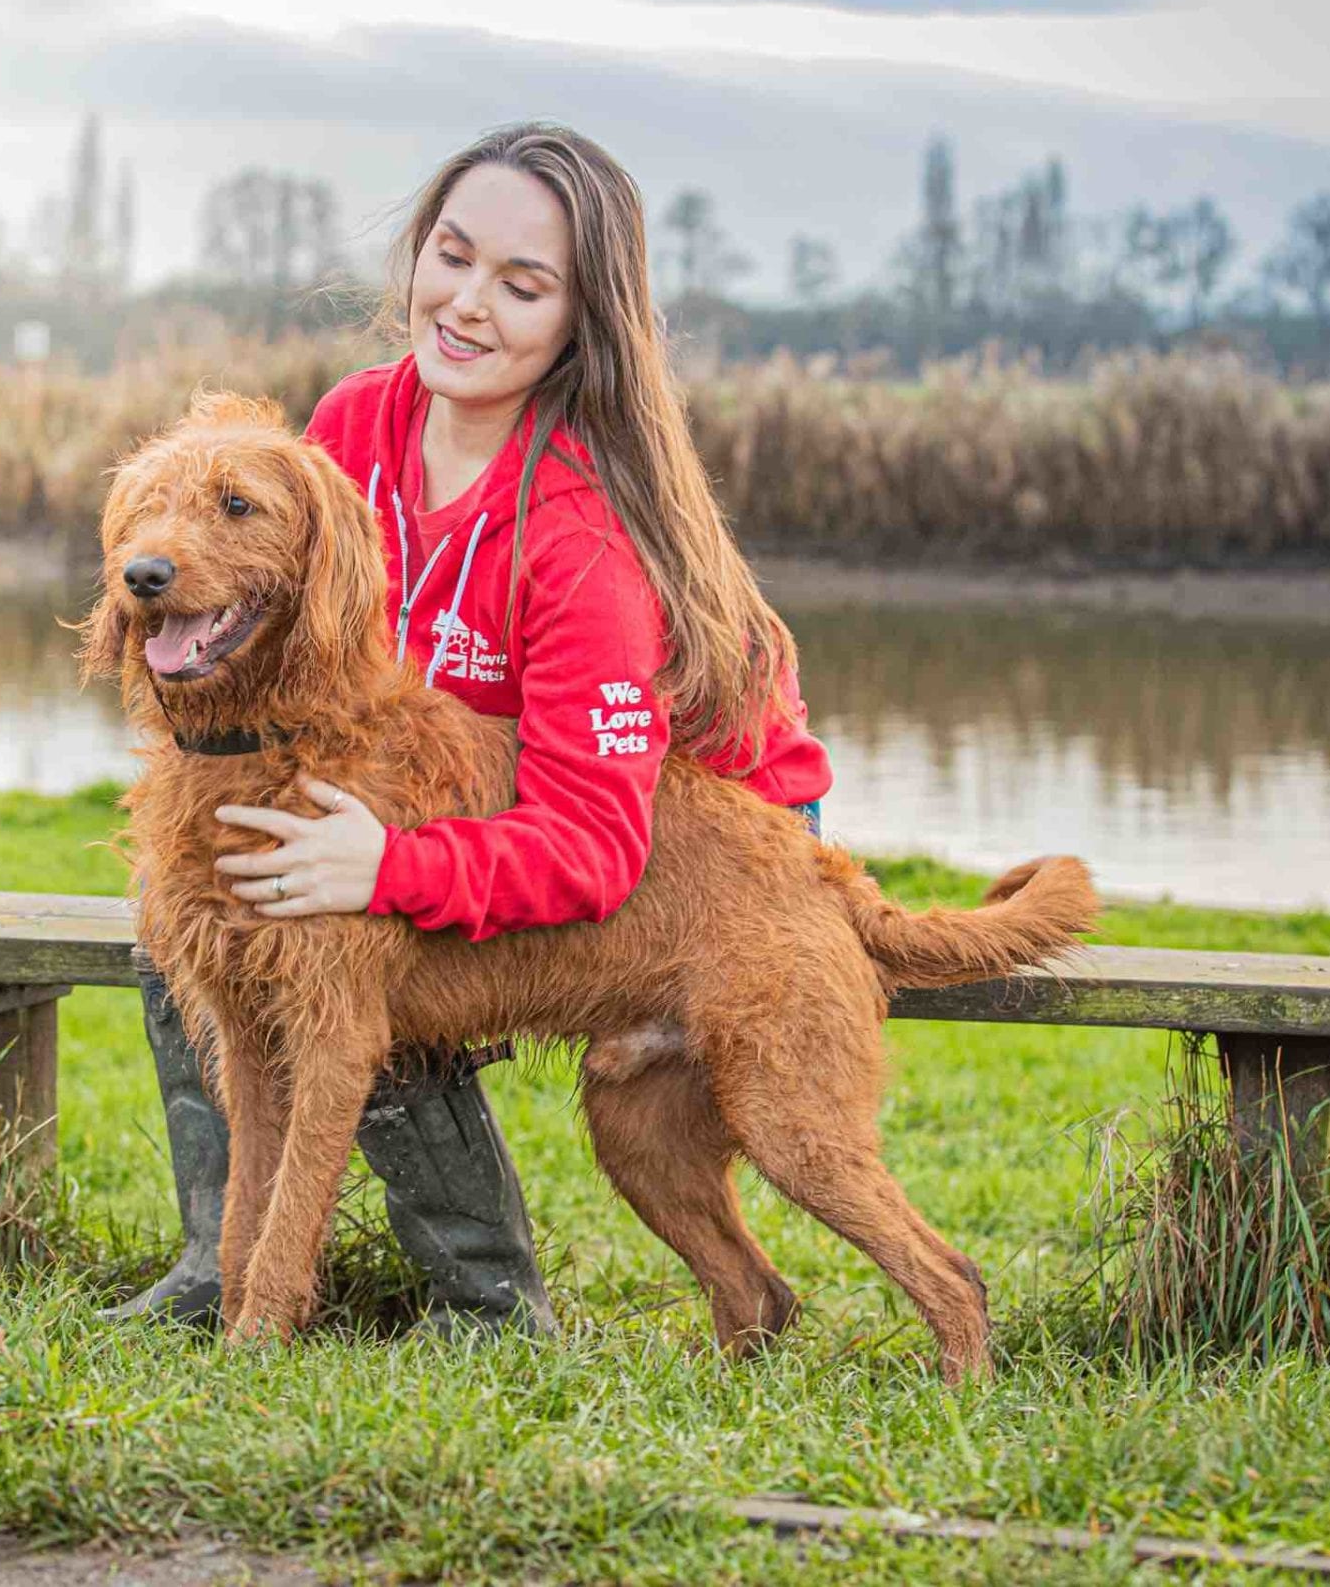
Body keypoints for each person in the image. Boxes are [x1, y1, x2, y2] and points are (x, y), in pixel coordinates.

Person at [106, 122, 831, 1336]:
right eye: (453, 256)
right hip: (484, 795)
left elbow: (598, 845)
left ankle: (486, 1299)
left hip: (706, 846)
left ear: (580, 320)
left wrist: (388, 864)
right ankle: (215, 1267)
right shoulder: (355, 428)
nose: (468, 304)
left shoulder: (578, 531)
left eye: (523, 283)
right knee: (204, 906)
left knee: (342, 930)